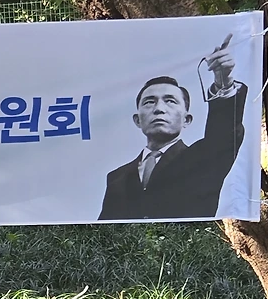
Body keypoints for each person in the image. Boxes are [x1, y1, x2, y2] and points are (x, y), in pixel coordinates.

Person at [98, 34, 249, 220]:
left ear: (187, 119)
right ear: (137, 120)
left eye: (170, 101)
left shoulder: (203, 159)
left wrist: (223, 85)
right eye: (149, 102)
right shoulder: (117, 178)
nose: (159, 109)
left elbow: (224, 135)